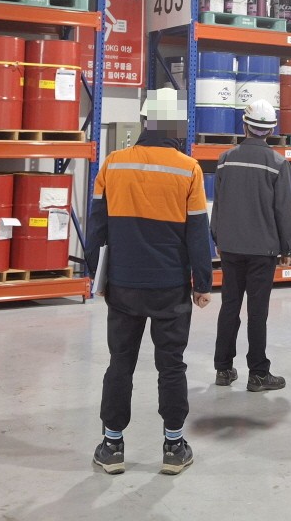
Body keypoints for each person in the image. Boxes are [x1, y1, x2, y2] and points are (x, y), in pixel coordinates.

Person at [86, 88, 213, 476]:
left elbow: (96, 228)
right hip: (170, 286)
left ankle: (112, 446)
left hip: (123, 283)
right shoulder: (189, 169)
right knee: (171, 365)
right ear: (177, 127)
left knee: (120, 363)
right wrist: (202, 283)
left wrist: (96, 276)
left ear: (144, 121)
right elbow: (197, 233)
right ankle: (174, 446)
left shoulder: (113, 164)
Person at [211, 99, 291, 392]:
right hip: (263, 249)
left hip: (230, 246)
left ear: (244, 125)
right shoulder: (278, 163)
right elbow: (283, 210)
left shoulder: (225, 159)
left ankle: (223, 369)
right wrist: (287, 248)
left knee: (229, 306)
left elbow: (218, 203)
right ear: (271, 130)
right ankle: (258, 374)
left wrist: (217, 237)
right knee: (257, 312)